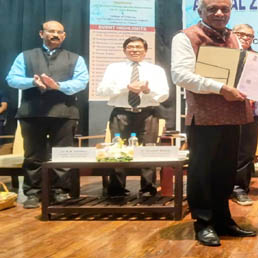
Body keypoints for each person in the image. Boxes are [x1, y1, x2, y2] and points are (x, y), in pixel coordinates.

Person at [171, 0, 256, 246]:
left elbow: (243, 72)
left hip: (233, 116)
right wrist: (220, 89)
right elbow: (181, 75)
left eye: (225, 9)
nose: (219, 13)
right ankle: (203, 223)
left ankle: (223, 220)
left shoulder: (234, 38)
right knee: (202, 172)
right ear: (200, 11)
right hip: (204, 117)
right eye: (213, 9)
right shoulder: (185, 37)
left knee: (226, 172)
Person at [6, 20, 89, 209]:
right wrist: (32, 82)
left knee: (63, 155)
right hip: (32, 113)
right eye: (51, 31)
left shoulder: (75, 58)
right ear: (41, 34)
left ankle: (61, 191)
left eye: (59, 32)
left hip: (64, 113)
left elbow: (81, 82)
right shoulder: (25, 56)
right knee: (33, 155)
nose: (55, 35)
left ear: (64, 36)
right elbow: (12, 79)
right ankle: (33, 193)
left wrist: (57, 86)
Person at [96, 36, 169, 197]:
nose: (134, 50)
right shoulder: (114, 68)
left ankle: (148, 188)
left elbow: (164, 95)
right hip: (121, 112)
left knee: (148, 150)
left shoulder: (156, 70)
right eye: (130, 47)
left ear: (145, 51)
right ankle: (116, 188)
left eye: (138, 47)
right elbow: (101, 90)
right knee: (117, 150)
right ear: (124, 50)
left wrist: (148, 91)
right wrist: (126, 87)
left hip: (148, 113)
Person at [230, 24, 258, 206]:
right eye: (241, 34)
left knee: (246, 152)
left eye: (249, 36)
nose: (245, 38)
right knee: (225, 151)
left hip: (251, 111)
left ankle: (239, 189)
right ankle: (221, 188)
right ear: (232, 34)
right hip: (224, 112)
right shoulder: (224, 55)